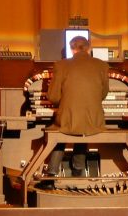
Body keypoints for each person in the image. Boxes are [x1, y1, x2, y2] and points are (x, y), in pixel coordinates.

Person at [35, 35, 109, 189]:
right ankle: (78, 169)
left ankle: (51, 175)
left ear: (71, 48)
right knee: (82, 124)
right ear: (88, 48)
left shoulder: (61, 65)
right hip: (94, 119)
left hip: (69, 117)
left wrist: (67, 99)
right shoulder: (102, 65)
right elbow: (104, 94)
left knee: (61, 127)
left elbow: (53, 97)